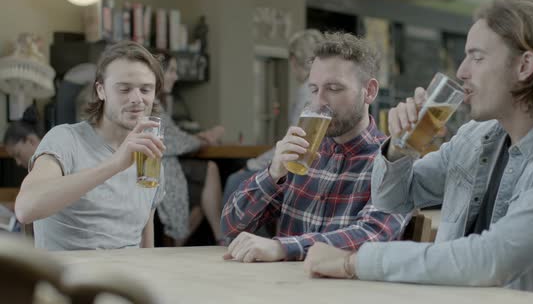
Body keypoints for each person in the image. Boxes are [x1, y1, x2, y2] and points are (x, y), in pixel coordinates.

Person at [304, 0, 533, 303]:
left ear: (524, 66)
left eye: (477, 57)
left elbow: (492, 260)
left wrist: (353, 261)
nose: (462, 71)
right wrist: (402, 145)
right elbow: (392, 199)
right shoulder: (475, 138)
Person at [222, 32, 408, 262]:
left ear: (369, 91)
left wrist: (282, 248)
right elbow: (231, 226)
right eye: (313, 89)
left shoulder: (391, 161)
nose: (319, 101)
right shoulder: (303, 153)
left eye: (334, 88)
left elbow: (373, 236)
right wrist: (273, 174)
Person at [14, 41, 166, 250]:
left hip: (126, 280)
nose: (137, 99)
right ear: (101, 90)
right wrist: (115, 163)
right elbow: (25, 208)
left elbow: (146, 247)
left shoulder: (150, 157)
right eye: (124, 89)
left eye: (146, 89)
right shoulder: (64, 140)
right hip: (70, 280)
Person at [222, 29, 324, 209]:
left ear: (293, 60)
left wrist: (252, 164)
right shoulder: (322, 90)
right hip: (316, 169)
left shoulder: (306, 91)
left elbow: (294, 144)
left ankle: (232, 237)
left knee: (235, 182)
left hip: (300, 170)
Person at [153, 49, 225, 246]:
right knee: (210, 173)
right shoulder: (151, 101)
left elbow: (172, 135)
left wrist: (198, 137)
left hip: (165, 164)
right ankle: (219, 238)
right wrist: (205, 138)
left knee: (205, 193)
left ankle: (182, 243)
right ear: (159, 72)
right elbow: (172, 141)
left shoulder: (159, 102)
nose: (176, 76)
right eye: (172, 71)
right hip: (158, 167)